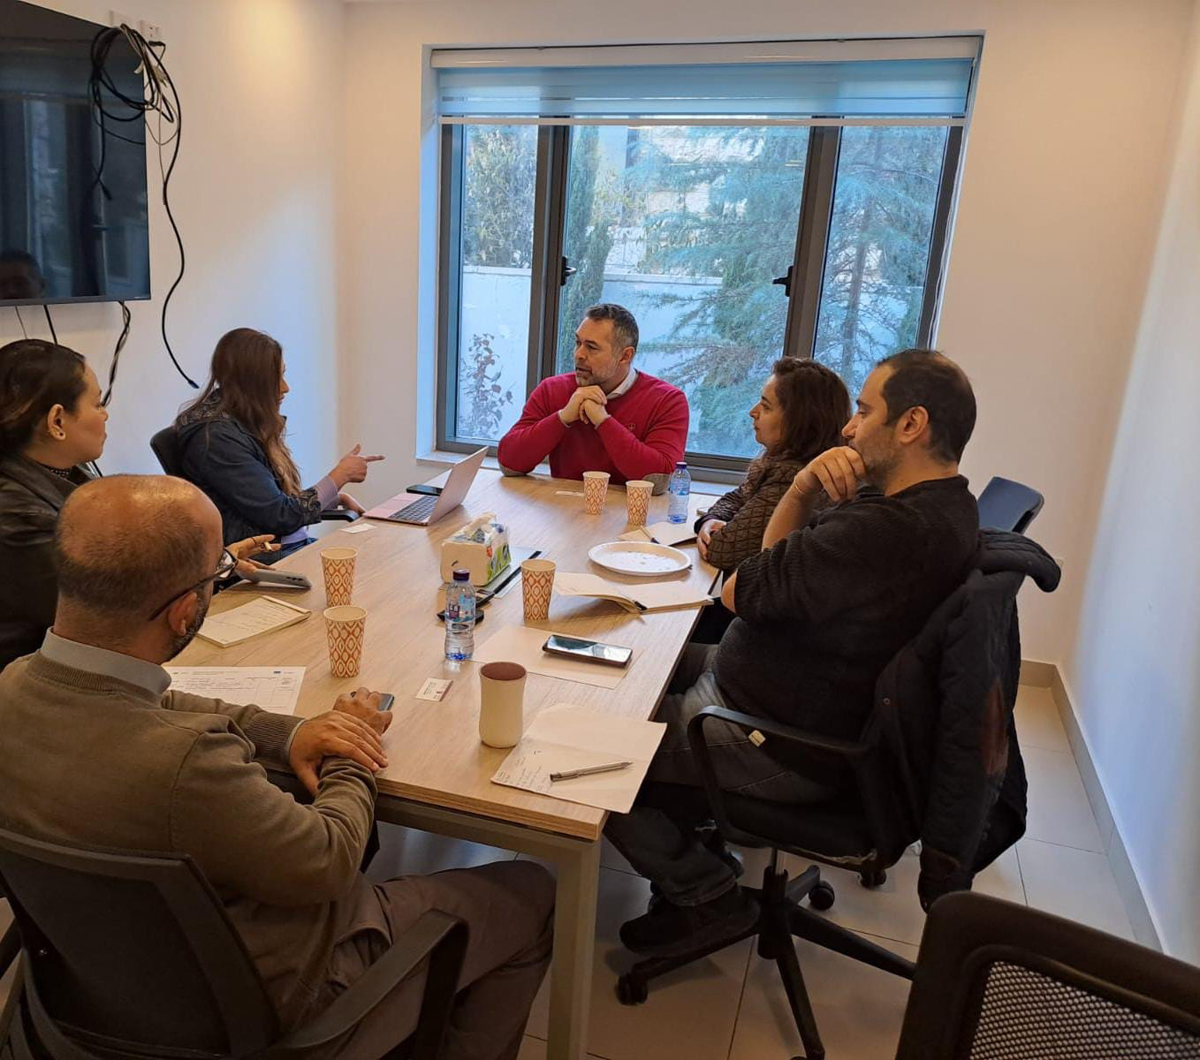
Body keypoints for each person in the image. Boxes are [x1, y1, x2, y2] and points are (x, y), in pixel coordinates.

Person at [0, 475, 554, 1060]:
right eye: (215, 574)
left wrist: (288, 734)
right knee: (532, 892)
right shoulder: (189, 764)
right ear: (185, 613)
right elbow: (329, 860)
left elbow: (162, 700)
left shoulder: (13, 686)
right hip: (270, 1000)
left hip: (89, 988)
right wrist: (352, 745)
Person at [604, 349, 981, 956]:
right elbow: (769, 576)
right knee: (628, 663)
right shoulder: (945, 508)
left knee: (598, 754)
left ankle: (704, 893)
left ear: (911, 424)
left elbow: (741, 588)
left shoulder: (883, 530)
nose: (848, 429)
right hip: (774, 694)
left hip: (777, 738)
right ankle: (698, 845)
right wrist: (803, 487)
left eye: (864, 412)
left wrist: (803, 486)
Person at [0, 339, 279, 673]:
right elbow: (105, 608)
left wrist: (219, 562)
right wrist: (211, 568)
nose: (105, 414)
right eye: (98, 403)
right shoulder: (15, 515)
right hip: (49, 681)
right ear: (57, 422)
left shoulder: (68, 474)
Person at [175, 328, 384, 556]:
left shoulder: (237, 422)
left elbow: (269, 502)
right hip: (266, 557)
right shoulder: (217, 439)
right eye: (275, 379)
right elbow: (280, 516)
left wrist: (334, 497)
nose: (285, 387)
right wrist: (339, 477)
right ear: (250, 383)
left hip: (287, 547)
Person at [497, 303, 688, 486]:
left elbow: (659, 480)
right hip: (564, 505)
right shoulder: (552, 389)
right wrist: (563, 417)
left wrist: (603, 420)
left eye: (591, 347)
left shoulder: (667, 400)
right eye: (578, 343)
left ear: (625, 356)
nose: (578, 354)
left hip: (630, 508)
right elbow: (509, 463)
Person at [696, 358, 850, 572]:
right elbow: (738, 496)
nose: (753, 412)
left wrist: (713, 529)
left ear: (800, 421)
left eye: (766, 407)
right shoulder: (784, 462)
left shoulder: (792, 475)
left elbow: (721, 551)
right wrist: (711, 519)